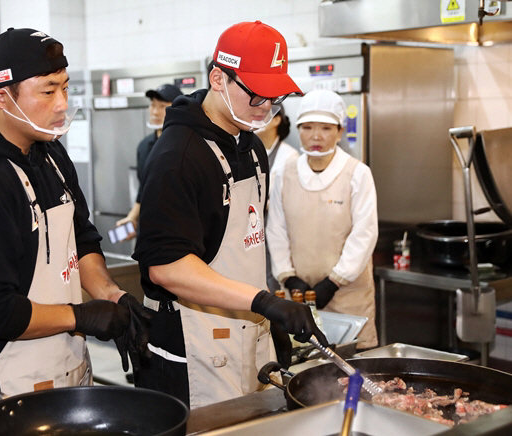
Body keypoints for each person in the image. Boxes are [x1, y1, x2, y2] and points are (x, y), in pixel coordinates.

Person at [0, 28, 149, 435]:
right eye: (47, 92)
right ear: (1, 97)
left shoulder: (50, 154)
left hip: (66, 372)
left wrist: (109, 295)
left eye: (64, 88)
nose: (62, 105)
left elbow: (80, 239)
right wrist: (81, 316)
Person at [132, 21, 328, 409]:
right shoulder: (178, 157)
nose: (267, 110)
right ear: (219, 78)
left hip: (247, 334)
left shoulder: (251, 147)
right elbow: (166, 267)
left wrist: (266, 312)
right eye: (257, 96)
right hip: (191, 349)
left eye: (276, 98)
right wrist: (263, 302)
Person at [266, 89, 378, 349]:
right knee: (305, 369)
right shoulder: (285, 173)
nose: (315, 136)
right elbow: (276, 229)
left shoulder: (357, 173)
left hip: (348, 295)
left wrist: (334, 280)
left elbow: (365, 232)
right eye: (307, 127)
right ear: (297, 129)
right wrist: (287, 275)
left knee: (354, 366)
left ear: (339, 132)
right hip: (300, 296)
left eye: (326, 128)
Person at [116, 84, 182, 238]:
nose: (155, 111)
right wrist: (132, 217)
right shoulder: (145, 146)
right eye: (152, 105)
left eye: (162, 106)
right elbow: (144, 189)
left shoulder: (185, 144)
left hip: (178, 232)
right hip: (149, 232)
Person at [255, 104, 299, 293]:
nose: (256, 120)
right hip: (254, 231)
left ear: (277, 120)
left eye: (263, 115)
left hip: (277, 230)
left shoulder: (290, 157)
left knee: (275, 284)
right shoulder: (250, 151)